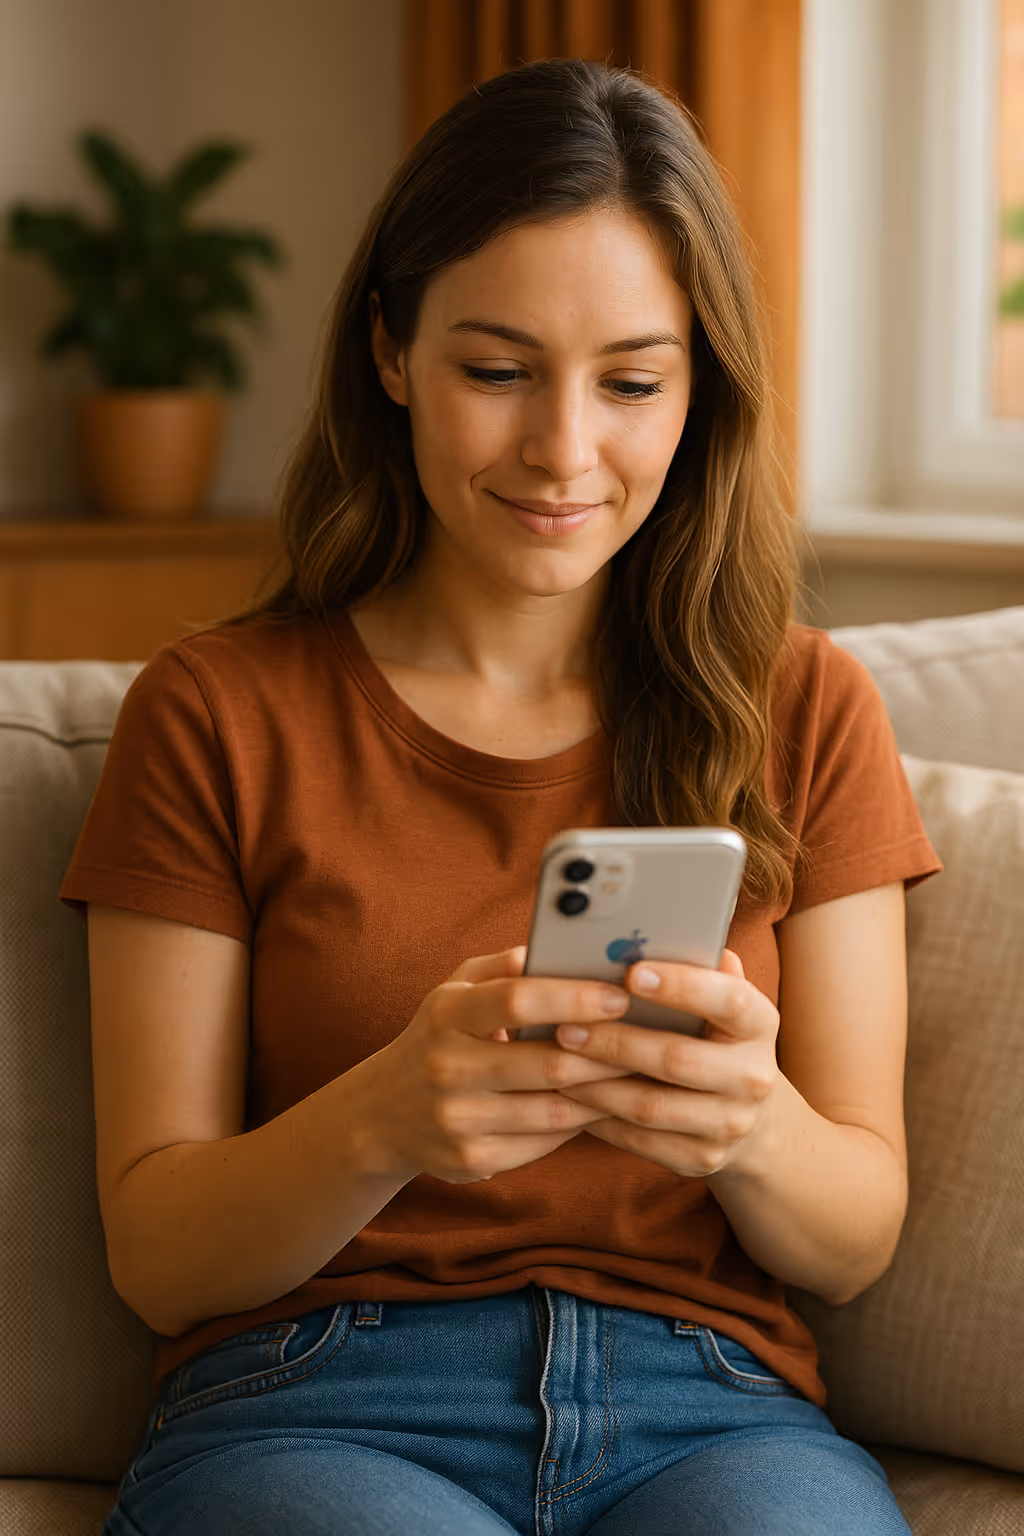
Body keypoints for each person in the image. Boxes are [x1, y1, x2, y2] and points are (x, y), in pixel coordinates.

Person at [59, 58, 942, 1536]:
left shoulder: (805, 707)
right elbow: (157, 1250)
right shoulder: (215, 712)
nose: (564, 451)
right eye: (497, 369)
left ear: (699, 387)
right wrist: (391, 1117)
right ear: (392, 351)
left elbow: (853, 1240)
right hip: (317, 1399)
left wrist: (744, 1126)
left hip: (707, 1407)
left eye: (633, 382)